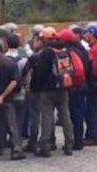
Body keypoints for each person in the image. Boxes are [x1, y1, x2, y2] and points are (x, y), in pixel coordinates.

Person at [28, 28, 74, 157]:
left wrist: (37, 87)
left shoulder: (47, 52)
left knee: (47, 118)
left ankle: (45, 146)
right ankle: (69, 144)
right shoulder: (65, 51)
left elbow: (40, 73)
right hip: (63, 88)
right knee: (65, 116)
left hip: (47, 90)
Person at [0, 39, 25, 161]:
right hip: (7, 98)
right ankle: (16, 149)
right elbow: (15, 81)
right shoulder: (10, 62)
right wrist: (2, 96)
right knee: (12, 123)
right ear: (4, 48)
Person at [67, 26, 91, 151]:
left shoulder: (71, 51)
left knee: (74, 113)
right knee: (80, 113)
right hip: (83, 83)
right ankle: (79, 139)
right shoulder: (84, 49)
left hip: (75, 85)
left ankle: (76, 140)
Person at [5, 34, 29, 144]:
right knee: (19, 119)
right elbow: (28, 78)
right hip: (20, 93)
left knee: (6, 118)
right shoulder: (24, 60)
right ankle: (17, 141)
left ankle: (6, 139)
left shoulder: (3, 58)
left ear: (6, 44)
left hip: (5, 94)